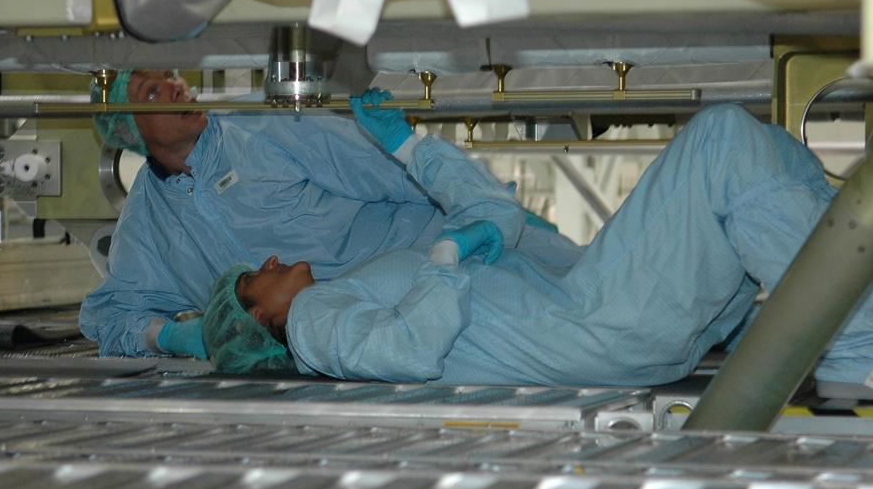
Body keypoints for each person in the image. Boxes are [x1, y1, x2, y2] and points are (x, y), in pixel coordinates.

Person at [201, 95, 873, 401]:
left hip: (600, 311)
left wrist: (411, 147)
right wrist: (445, 261)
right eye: (252, 283)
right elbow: (408, 350)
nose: (268, 265)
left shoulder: (355, 283)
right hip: (594, 324)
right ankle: (863, 346)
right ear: (259, 325)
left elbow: (490, 213)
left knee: (772, 155)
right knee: (722, 138)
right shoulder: (311, 326)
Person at [78, 71, 578, 359]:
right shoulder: (148, 223)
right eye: (151, 93)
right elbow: (109, 318)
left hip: (463, 264)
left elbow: (398, 173)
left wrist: (495, 215)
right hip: (373, 344)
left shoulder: (264, 122)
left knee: (587, 305)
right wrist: (174, 337)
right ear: (130, 131)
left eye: (170, 76)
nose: (175, 86)